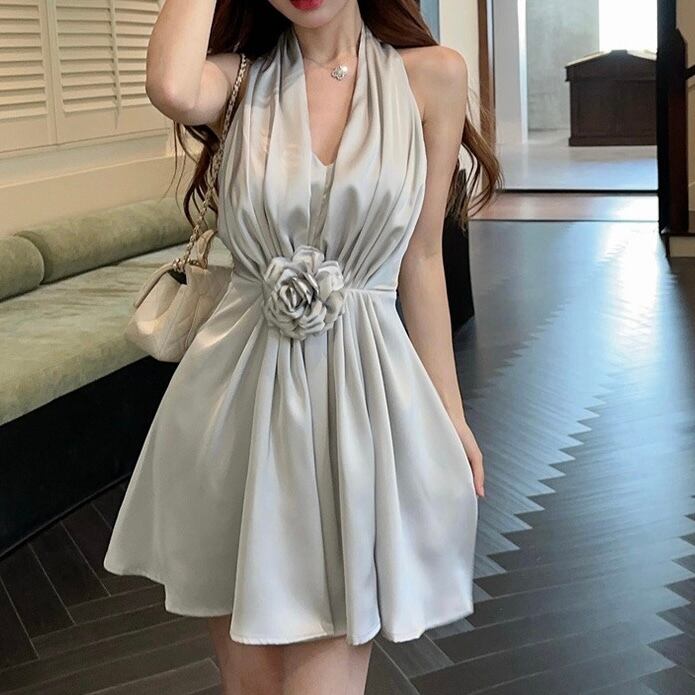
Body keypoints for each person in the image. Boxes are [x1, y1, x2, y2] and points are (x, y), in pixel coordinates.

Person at [103, 1, 501, 693]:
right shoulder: (238, 82)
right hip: (235, 414)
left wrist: (451, 413)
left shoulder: (432, 76)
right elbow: (169, 84)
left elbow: (422, 258)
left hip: (358, 412)